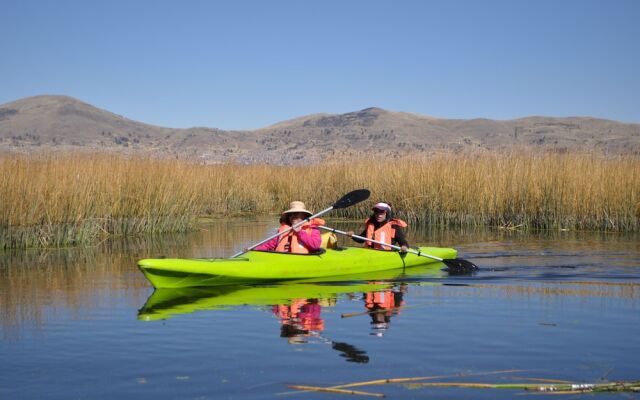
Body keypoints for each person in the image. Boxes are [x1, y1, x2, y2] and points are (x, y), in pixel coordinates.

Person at [254, 201, 323, 253]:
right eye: (291, 214)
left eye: (297, 213)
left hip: (303, 260)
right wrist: (254, 249)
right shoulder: (284, 230)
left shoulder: (313, 230)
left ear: (304, 216)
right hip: (285, 259)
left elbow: (315, 245)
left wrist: (300, 232)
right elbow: (269, 245)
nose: (293, 216)